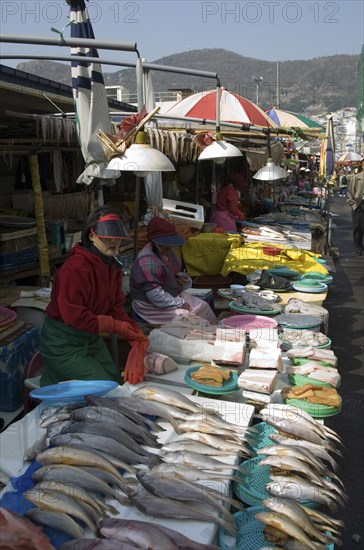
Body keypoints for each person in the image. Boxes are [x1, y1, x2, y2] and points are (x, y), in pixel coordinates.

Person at [39, 206, 149, 386]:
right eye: (107, 237)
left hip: (90, 338)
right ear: (91, 235)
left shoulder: (112, 267)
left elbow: (115, 307)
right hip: (62, 342)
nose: (114, 242)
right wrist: (114, 326)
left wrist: (134, 332)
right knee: (105, 386)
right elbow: (73, 316)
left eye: (117, 237)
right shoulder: (75, 268)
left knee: (115, 379)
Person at [129, 216, 217, 324]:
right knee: (188, 317)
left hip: (169, 295)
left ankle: (213, 333)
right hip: (149, 305)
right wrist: (179, 303)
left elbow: (170, 274)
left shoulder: (166, 251)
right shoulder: (147, 262)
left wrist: (179, 280)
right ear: (155, 241)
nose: (169, 247)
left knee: (203, 306)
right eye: (165, 244)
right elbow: (155, 295)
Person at [347, 160, 364, 256]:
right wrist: (352, 203)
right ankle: (359, 247)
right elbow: (350, 191)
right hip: (359, 204)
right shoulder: (357, 177)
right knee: (358, 227)